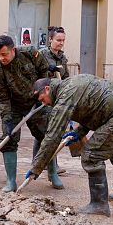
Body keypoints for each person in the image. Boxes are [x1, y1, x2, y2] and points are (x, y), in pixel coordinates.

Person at [28, 75, 113, 216]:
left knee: (91, 155)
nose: (44, 104)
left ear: (47, 89)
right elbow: (93, 109)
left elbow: (52, 137)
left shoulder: (64, 97)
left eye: (42, 99)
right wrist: (79, 132)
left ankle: (99, 205)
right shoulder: (71, 84)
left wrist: (36, 167)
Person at [0, 35, 63, 192]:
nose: (1, 58)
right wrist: (7, 119)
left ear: (13, 50)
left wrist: (42, 95)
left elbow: (44, 72)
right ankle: (11, 182)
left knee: (47, 135)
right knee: (8, 139)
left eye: (4, 54)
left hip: (37, 100)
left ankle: (52, 173)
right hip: (14, 105)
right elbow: (1, 97)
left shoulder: (30, 53)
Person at [40, 26, 69, 175]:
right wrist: (48, 69)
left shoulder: (63, 58)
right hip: (45, 98)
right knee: (44, 131)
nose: (61, 43)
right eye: (58, 40)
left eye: (63, 40)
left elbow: (66, 78)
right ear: (50, 39)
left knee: (55, 130)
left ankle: (51, 163)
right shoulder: (42, 55)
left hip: (59, 98)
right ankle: (42, 163)